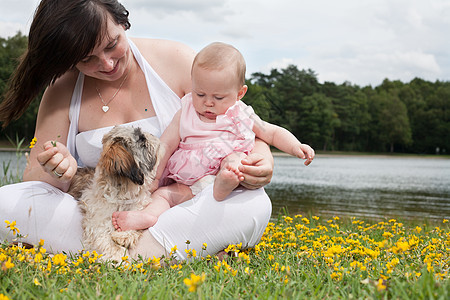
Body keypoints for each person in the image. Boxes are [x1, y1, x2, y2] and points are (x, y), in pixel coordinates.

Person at [0, 0, 274, 261]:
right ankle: (160, 254)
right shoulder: (61, 89)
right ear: (69, 60)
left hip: (172, 209)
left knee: (253, 206)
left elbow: (244, 123)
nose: (107, 64)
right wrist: (60, 169)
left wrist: (262, 158)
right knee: (6, 203)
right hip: (94, 216)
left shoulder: (176, 59)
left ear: (123, 22)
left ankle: (117, 254)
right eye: (87, 59)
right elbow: (34, 182)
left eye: (112, 44)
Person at [112, 42, 315, 232]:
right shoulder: (186, 110)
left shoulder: (242, 113)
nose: (208, 103)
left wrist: (296, 146)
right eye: (200, 94)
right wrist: (155, 178)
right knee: (164, 196)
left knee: (235, 158)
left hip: (223, 172)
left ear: (240, 93)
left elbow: (271, 132)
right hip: (189, 181)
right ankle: (148, 216)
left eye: (218, 97)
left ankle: (224, 183)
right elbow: (166, 144)